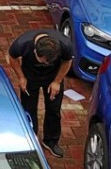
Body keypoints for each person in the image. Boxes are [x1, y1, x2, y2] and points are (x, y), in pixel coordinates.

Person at [6, 29, 73, 158]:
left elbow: (67, 62)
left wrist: (57, 82)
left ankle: (51, 141)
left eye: (49, 62)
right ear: (35, 51)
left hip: (53, 78)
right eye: (43, 61)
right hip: (30, 77)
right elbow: (12, 58)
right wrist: (21, 77)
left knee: (54, 110)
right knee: (29, 110)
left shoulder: (65, 45)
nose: (46, 64)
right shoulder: (22, 44)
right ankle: (31, 139)